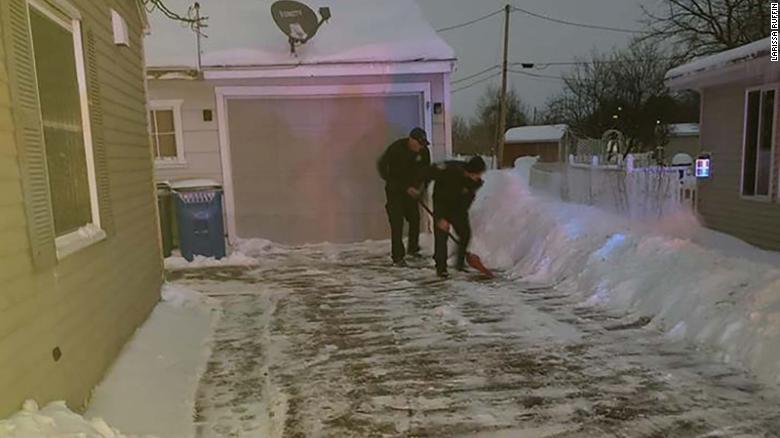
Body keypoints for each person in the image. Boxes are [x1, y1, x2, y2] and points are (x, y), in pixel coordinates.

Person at [377, 127, 431, 266]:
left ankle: (413, 249)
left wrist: (421, 189)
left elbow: (426, 172)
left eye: (423, 144)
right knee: (397, 223)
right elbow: (383, 168)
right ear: (411, 140)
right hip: (395, 192)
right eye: (418, 143)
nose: (420, 147)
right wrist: (405, 187)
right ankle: (398, 257)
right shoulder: (396, 149)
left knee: (414, 219)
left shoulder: (424, 152)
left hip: (412, 192)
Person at [428, 156, 486, 278]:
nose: (479, 177)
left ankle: (460, 264)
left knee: (465, 233)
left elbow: (467, 199)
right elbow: (439, 199)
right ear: (471, 171)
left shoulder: (474, 182)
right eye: (478, 174)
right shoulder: (450, 174)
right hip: (442, 206)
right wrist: (440, 218)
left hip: (458, 209)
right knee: (441, 236)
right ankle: (441, 269)